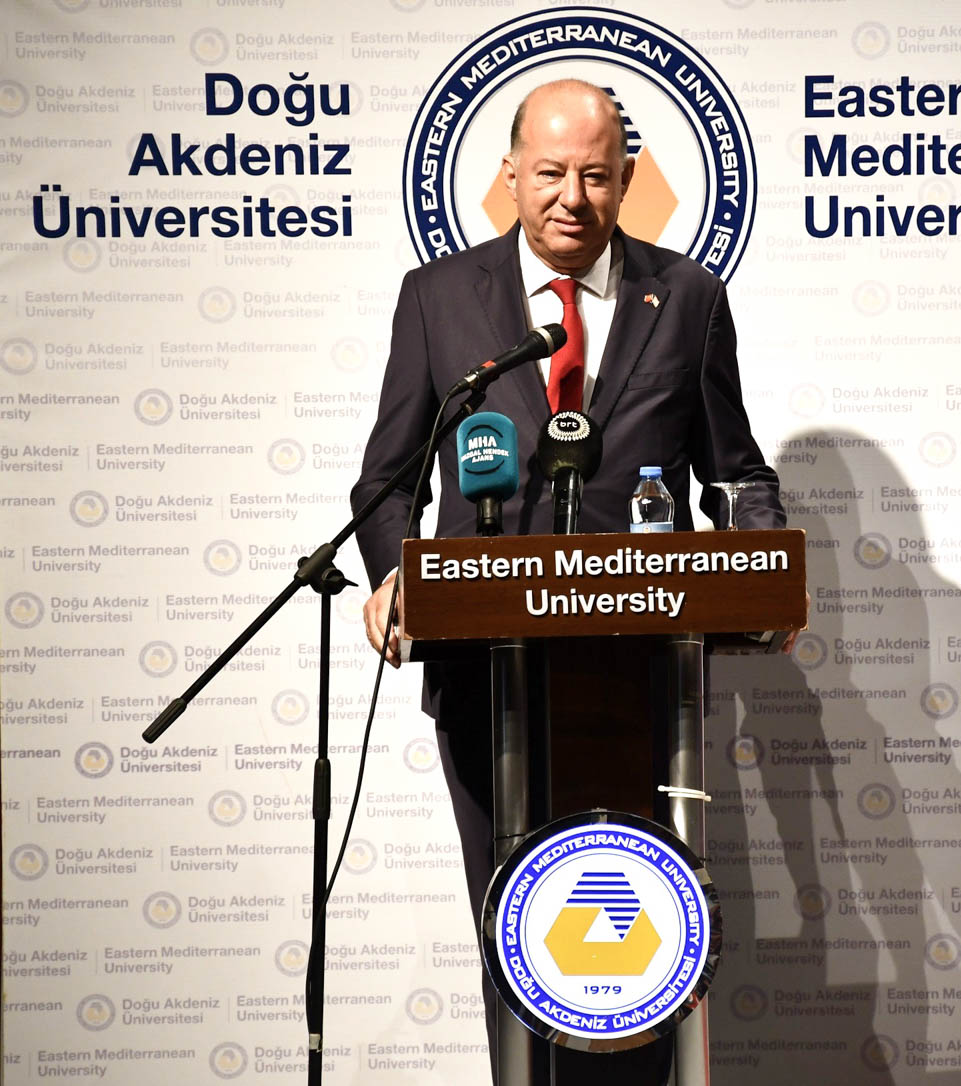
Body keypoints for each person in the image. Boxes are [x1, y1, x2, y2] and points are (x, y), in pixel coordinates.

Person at [351, 78, 785, 1084]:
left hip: (642, 680)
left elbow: (736, 470)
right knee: (517, 936)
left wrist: (764, 562)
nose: (571, 197)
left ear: (627, 179)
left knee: (639, 948)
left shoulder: (686, 298)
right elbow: (387, 481)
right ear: (509, 174)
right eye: (550, 173)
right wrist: (396, 578)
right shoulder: (439, 298)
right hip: (483, 676)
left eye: (596, 175)